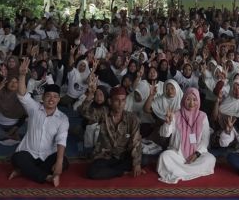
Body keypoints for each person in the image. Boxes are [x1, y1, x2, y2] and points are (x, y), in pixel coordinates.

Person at [9, 58, 69, 187]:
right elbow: (22, 94)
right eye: (48, 96)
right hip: (29, 153)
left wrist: (58, 162)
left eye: (55, 96)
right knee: (17, 158)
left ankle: (25, 171)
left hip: (47, 156)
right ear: (43, 97)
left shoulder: (63, 118)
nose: (51, 99)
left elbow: (61, 140)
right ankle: (46, 177)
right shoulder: (34, 108)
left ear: (59, 99)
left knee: (63, 162)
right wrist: (22, 75)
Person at [80, 77, 143, 180]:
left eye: (123, 100)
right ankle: (121, 171)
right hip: (105, 156)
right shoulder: (103, 112)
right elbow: (85, 112)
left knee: (142, 160)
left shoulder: (132, 118)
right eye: (117, 100)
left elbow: (136, 141)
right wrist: (90, 94)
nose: (120, 104)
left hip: (123, 155)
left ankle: (113, 170)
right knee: (92, 172)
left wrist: (136, 164)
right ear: (110, 101)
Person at [157, 88, 216, 183]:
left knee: (210, 159)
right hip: (178, 154)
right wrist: (167, 123)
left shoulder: (203, 116)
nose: (191, 103)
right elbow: (165, 134)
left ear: (198, 101)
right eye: (188, 99)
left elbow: (205, 140)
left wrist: (196, 154)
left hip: (196, 156)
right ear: (184, 100)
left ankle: (179, 171)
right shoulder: (176, 115)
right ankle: (192, 171)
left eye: (194, 99)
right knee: (164, 156)